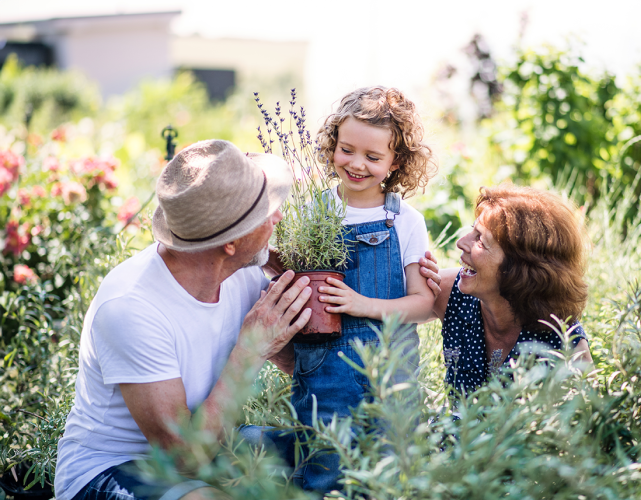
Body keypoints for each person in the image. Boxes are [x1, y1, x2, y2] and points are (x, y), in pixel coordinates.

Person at [54, 140, 316, 500]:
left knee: (325, 454)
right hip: (113, 469)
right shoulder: (132, 307)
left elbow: (300, 365)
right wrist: (250, 350)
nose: (278, 217)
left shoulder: (241, 270)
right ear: (230, 243)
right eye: (265, 213)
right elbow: (182, 458)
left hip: (209, 444)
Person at [274, 86, 439, 491]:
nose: (357, 164)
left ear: (395, 161)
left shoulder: (405, 220)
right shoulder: (313, 210)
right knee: (321, 467)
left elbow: (422, 304)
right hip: (324, 367)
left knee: (386, 474)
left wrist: (361, 303)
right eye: (346, 149)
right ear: (332, 144)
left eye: (373, 156)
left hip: (391, 372)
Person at [429, 184, 593, 398]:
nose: (461, 243)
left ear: (518, 267)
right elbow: (384, 313)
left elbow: (590, 420)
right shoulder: (451, 291)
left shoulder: (564, 341)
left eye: (480, 239)